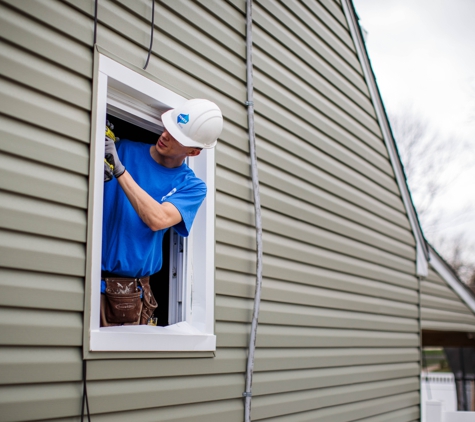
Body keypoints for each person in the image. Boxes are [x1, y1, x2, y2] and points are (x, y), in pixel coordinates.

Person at [100, 99, 223, 326]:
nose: (165, 135)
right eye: (168, 128)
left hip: (127, 293)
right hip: (86, 271)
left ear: (193, 152)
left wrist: (119, 170)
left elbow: (158, 219)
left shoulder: (191, 186)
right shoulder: (123, 149)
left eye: (177, 136)